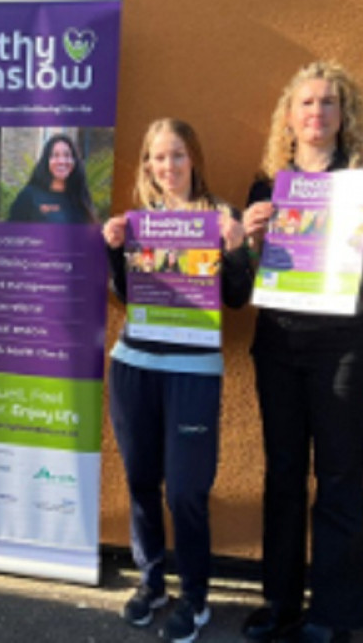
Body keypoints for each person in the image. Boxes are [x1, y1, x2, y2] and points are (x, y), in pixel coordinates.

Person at [240, 61, 363, 643]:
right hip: (280, 345)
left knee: (339, 475)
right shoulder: (267, 185)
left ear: (345, 116)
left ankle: (336, 613)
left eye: (329, 103)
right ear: (288, 118)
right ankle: (281, 603)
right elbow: (251, 283)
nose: (317, 113)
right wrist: (250, 237)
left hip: (345, 346)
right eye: (307, 103)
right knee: (283, 474)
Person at [102, 118, 252, 643]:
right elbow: (127, 297)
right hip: (134, 367)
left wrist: (236, 251)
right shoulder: (139, 221)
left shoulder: (221, 216)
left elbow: (236, 298)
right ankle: (152, 584)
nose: (169, 167)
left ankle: (195, 598)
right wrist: (113, 250)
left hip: (192, 374)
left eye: (178, 156)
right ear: (148, 165)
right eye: (159, 158)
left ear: (195, 160)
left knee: (186, 491)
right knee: (141, 482)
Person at [9, 133, 97, 224]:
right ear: (47, 161)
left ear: (74, 161)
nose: (62, 161)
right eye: (55, 155)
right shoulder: (29, 196)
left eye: (67, 155)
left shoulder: (80, 196)